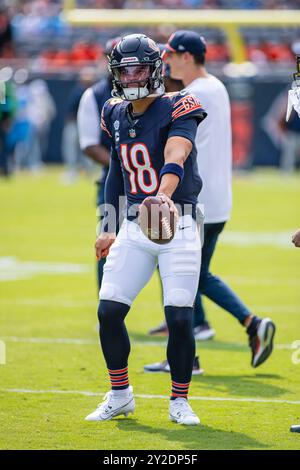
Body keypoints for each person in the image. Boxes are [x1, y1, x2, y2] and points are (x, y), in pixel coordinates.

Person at [85, 33, 207, 425]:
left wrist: (162, 196)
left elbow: (177, 153)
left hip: (180, 219)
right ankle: (120, 394)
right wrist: (109, 225)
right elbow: (116, 175)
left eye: (139, 67)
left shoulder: (178, 104)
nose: (132, 76)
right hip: (136, 225)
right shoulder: (114, 111)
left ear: (155, 69)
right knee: (108, 311)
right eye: (125, 70)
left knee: (180, 317)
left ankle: (179, 400)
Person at [145, 31, 276, 373]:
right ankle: (213, 333)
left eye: (171, 54)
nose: (166, 61)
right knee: (195, 275)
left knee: (180, 275)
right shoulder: (215, 86)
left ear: (186, 56)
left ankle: (247, 324)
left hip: (195, 199)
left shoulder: (189, 95)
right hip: (219, 199)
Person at [77, 38, 120, 290]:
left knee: (164, 246)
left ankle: (174, 315)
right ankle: (108, 312)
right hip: (112, 184)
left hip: (150, 187)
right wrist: (124, 165)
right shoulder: (94, 95)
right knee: (107, 244)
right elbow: (89, 144)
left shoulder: (152, 92)